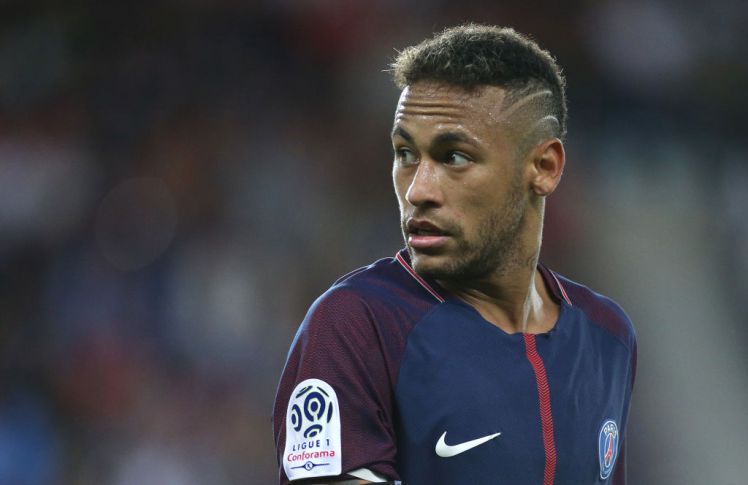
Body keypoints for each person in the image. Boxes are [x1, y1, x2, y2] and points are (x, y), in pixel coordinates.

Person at [273, 24, 636, 485]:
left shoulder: (608, 337)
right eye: (405, 154)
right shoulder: (357, 324)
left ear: (544, 168)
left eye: (454, 157)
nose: (419, 190)